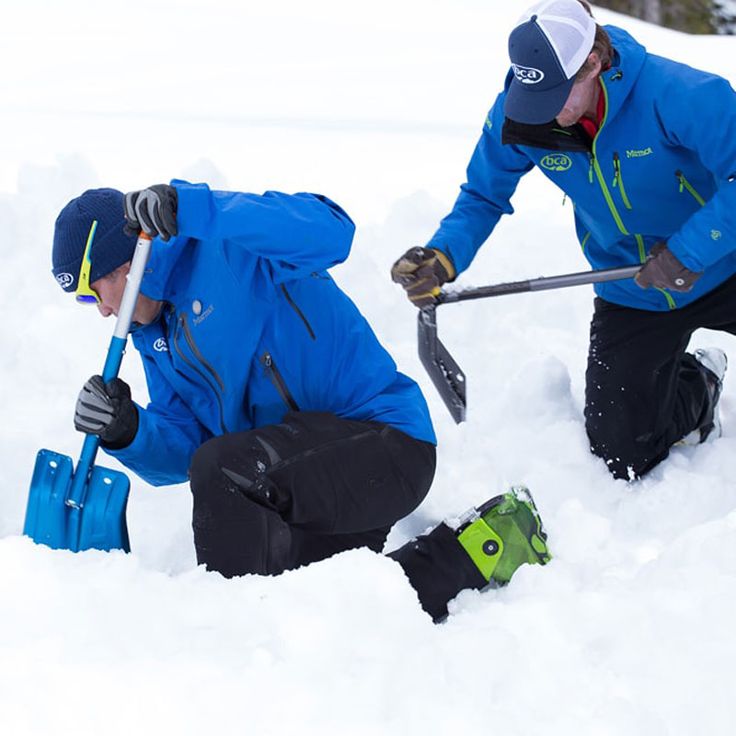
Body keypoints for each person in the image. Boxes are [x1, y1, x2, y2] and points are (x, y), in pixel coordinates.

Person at [51, 182, 550, 621]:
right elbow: (190, 445)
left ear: (127, 261)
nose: (104, 311)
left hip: (384, 444)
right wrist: (130, 430)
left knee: (227, 479)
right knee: (303, 607)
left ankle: (236, 640)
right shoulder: (154, 332)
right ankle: (474, 551)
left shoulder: (229, 247)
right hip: (299, 481)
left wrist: (197, 208)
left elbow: (333, 231)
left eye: (99, 290)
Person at [392, 0, 733, 481]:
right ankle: (701, 383)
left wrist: (691, 250)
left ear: (593, 62)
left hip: (724, 264)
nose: (547, 114)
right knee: (621, 452)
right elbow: (482, 195)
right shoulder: (523, 112)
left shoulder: (681, 94)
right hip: (633, 287)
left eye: (558, 93)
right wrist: (444, 256)